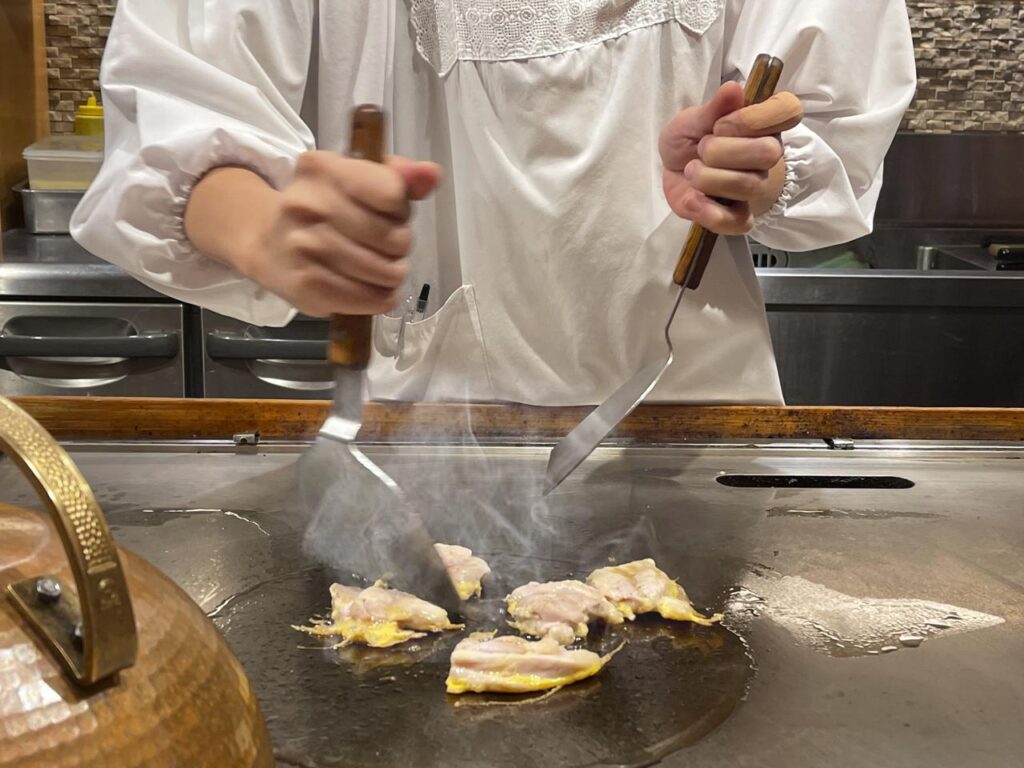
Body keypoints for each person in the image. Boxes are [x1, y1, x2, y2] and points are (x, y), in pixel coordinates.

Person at [71, 0, 916, 405]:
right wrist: (264, 228)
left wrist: (758, 168)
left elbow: (827, 129)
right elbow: (176, 106)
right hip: (425, 424)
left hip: (691, 410)